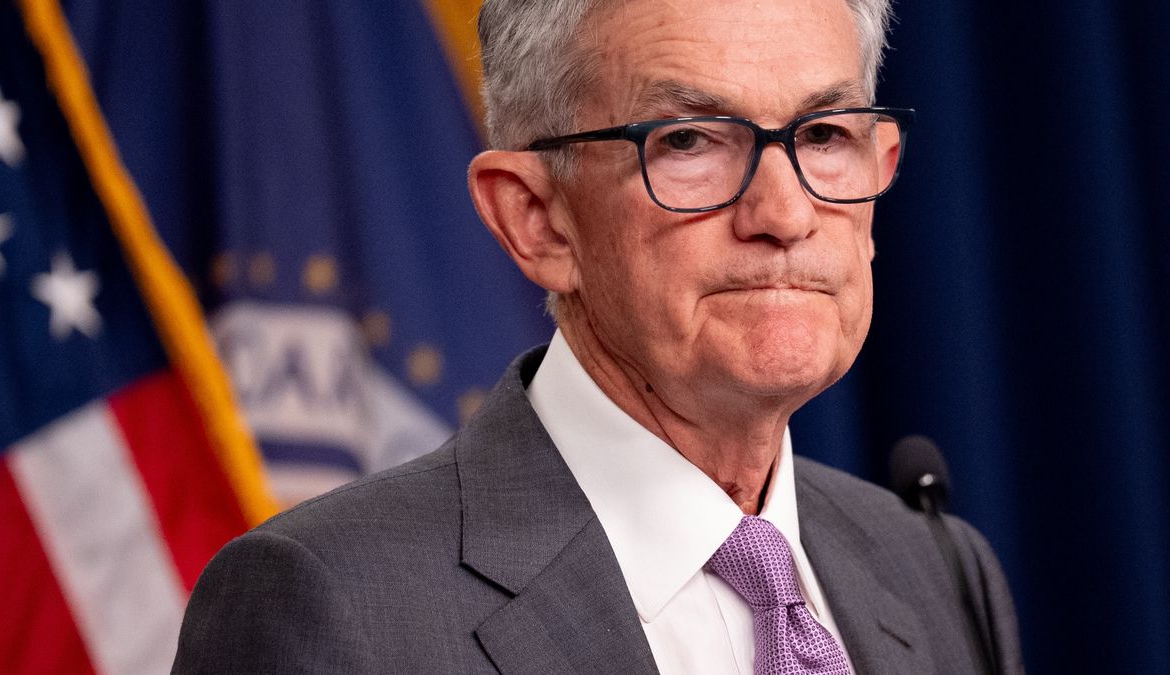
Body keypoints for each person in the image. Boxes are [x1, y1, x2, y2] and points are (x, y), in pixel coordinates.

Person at [173, 0, 1024, 672]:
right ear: (537, 219)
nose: (786, 213)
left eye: (824, 135)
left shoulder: (936, 570)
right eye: (689, 139)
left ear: (880, 174)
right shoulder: (327, 606)